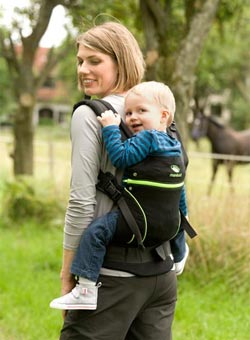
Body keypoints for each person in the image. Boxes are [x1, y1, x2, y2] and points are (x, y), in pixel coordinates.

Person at [57, 21, 187, 340]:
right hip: (162, 275)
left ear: (122, 61)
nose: (83, 69)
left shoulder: (92, 114)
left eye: (95, 60)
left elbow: (81, 199)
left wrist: (68, 272)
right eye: (80, 61)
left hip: (111, 277)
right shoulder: (157, 112)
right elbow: (175, 189)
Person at [50, 81, 189, 311]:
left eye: (141, 111)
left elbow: (120, 157)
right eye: (128, 113)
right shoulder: (175, 145)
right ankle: (181, 255)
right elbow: (179, 192)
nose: (132, 117)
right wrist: (182, 220)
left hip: (136, 220)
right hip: (168, 225)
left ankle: (85, 289)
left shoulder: (148, 138)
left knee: (96, 233)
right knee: (177, 223)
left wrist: (111, 127)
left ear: (164, 116)